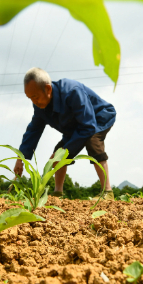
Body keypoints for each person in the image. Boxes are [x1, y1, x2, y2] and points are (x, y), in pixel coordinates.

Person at [13, 67, 116, 200]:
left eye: (35, 97)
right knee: (57, 153)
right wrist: (21, 157)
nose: (34, 102)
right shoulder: (39, 106)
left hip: (97, 118)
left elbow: (88, 126)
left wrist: (65, 150)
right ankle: (58, 194)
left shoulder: (72, 92)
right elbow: (34, 130)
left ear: (48, 89)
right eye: (30, 98)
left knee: (93, 141)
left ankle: (107, 192)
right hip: (76, 126)